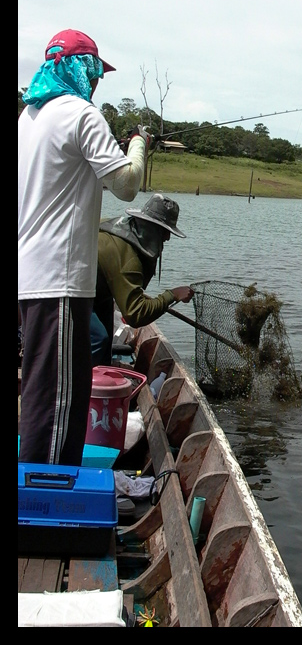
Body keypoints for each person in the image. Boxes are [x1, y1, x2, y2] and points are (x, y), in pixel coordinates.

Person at [18, 29, 149, 466]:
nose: (96, 83)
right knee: (55, 403)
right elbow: (127, 185)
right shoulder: (80, 114)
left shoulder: (29, 117)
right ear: (80, 69)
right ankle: (42, 510)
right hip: (58, 279)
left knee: (58, 391)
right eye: (95, 73)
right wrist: (138, 145)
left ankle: (59, 496)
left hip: (35, 276)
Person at [92, 194, 194, 366]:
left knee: (108, 336)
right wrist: (172, 295)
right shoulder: (128, 259)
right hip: (68, 286)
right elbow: (135, 315)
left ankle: (102, 373)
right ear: (150, 227)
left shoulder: (123, 229)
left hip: (97, 290)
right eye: (164, 232)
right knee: (98, 339)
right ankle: (87, 387)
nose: (167, 239)